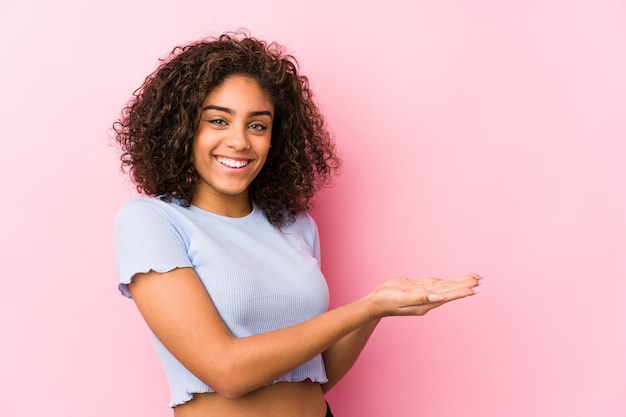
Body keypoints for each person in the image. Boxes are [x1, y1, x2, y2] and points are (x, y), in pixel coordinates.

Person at [112, 32, 480, 417]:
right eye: (218, 121)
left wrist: (376, 311)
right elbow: (227, 371)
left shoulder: (295, 226)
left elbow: (314, 376)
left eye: (257, 125)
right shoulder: (153, 221)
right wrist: (365, 306)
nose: (239, 141)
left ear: (276, 138)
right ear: (183, 128)